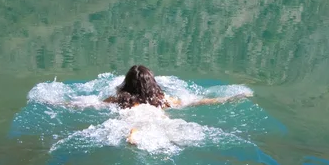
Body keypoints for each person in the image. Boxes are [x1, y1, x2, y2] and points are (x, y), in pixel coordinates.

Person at [102, 65, 252, 144]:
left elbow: (89, 104)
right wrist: (225, 99)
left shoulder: (119, 99)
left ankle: (133, 133)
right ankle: (135, 133)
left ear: (127, 83)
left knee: (136, 124)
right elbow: (194, 102)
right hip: (156, 116)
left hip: (133, 116)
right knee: (162, 127)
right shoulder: (161, 100)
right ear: (151, 83)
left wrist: (77, 104)